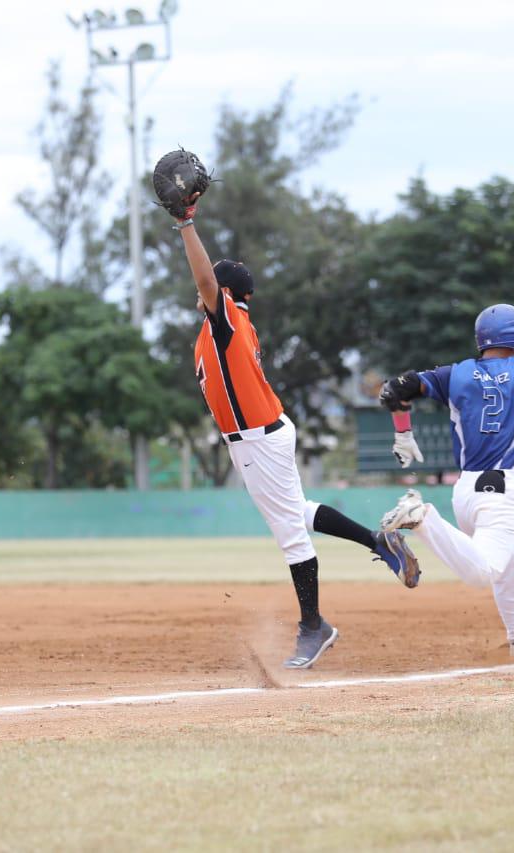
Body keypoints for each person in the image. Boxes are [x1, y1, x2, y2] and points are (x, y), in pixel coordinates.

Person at [167, 196, 420, 670]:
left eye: (210, 287)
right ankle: (376, 541)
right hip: (261, 437)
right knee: (296, 512)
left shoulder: (225, 322)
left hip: (259, 438)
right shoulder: (226, 327)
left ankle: (314, 626)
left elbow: (204, 278)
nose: (199, 290)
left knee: (290, 532)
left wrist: (185, 223)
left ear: (223, 293)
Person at [376, 304, 514, 661]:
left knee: (506, 567)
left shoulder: (456, 373)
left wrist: (403, 432)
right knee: (485, 572)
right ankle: (422, 517)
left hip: (466, 491)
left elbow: (394, 390)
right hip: (502, 488)